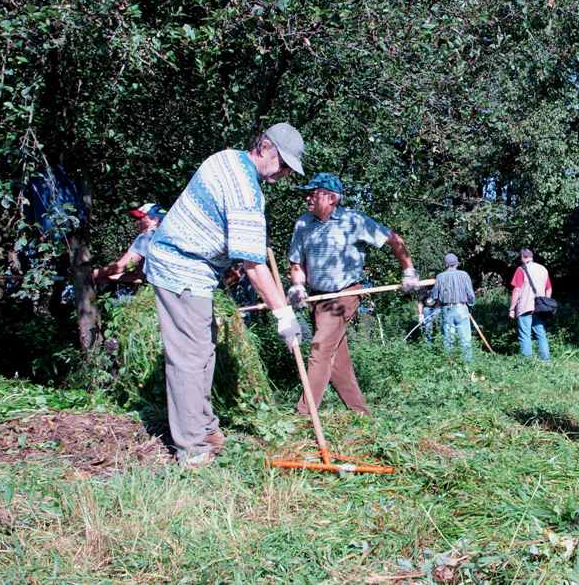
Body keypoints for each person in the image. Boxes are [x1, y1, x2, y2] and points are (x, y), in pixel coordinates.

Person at [144, 122, 306, 468]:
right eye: (284, 165)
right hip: (180, 267)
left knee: (204, 349)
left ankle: (203, 426)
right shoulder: (245, 189)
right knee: (189, 357)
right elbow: (253, 264)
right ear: (265, 147)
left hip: (196, 270)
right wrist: (284, 315)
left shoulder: (227, 158)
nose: (284, 175)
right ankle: (192, 449)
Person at [286, 172, 419, 416]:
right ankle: (361, 413)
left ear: (331, 198)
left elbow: (394, 239)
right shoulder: (303, 224)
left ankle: (304, 414)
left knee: (320, 348)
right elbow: (297, 264)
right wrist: (298, 286)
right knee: (336, 361)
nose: (308, 198)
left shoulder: (353, 220)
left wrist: (408, 271)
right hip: (319, 299)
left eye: (313, 194)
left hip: (346, 294)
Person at [92, 202, 167, 284]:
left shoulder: (147, 237)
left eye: (140, 218)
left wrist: (93, 274)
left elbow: (121, 266)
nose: (137, 222)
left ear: (154, 220)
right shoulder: (165, 237)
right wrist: (109, 278)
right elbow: (141, 277)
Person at [429, 253, 476, 361]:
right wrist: (470, 305)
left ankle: (449, 365)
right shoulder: (464, 275)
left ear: (445, 264)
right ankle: (468, 364)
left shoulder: (440, 277)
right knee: (465, 340)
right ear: (457, 263)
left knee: (448, 340)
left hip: (447, 310)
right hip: (462, 308)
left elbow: (434, 296)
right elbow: (471, 295)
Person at [508, 248, 552, 361]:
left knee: (524, 335)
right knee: (540, 334)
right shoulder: (543, 269)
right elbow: (549, 289)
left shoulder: (521, 269)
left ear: (522, 257)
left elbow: (516, 290)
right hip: (540, 307)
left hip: (525, 306)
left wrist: (512, 309)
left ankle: (527, 362)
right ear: (532, 257)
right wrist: (546, 303)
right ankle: (546, 360)